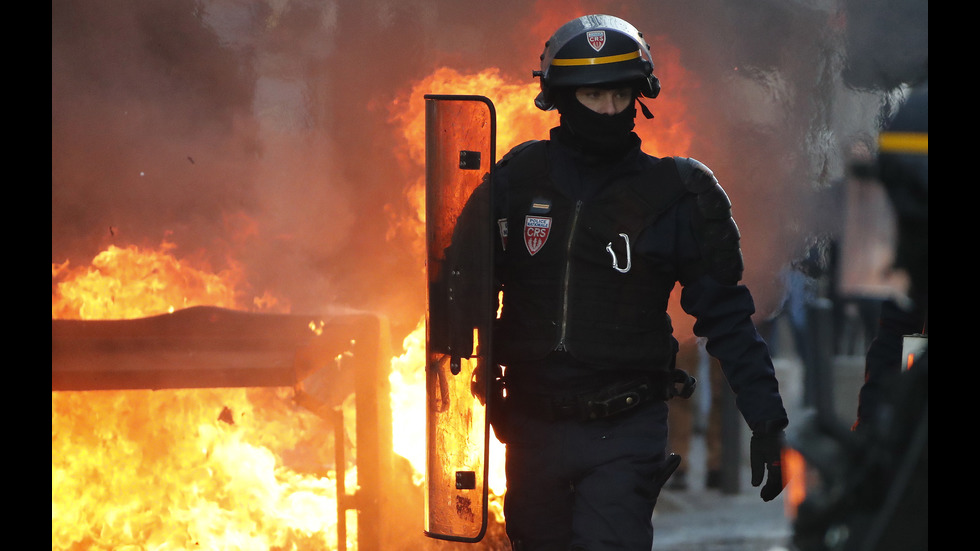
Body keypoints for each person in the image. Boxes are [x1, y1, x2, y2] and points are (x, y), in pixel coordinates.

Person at [442, 14, 789, 550]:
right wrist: (463, 362)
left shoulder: (678, 193)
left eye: (620, 95)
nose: (608, 110)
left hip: (625, 430)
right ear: (560, 98)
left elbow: (726, 315)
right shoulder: (515, 181)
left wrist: (765, 416)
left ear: (640, 96)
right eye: (593, 96)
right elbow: (459, 288)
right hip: (531, 426)